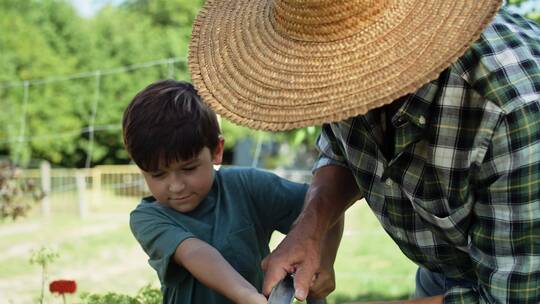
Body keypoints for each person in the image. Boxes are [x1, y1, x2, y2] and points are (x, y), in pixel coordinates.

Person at [188, 0, 540, 303]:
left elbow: (514, 296)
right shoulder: (344, 78)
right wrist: (310, 229)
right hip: (445, 266)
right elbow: (343, 151)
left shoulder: (511, 112)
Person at [123, 80, 341, 304]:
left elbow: (324, 205)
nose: (176, 186)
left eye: (188, 168)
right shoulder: (148, 218)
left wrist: (325, 259)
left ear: (217, 151)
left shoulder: (247, 185)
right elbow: (194, 253)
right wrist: (248, 297)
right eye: (158, 175)